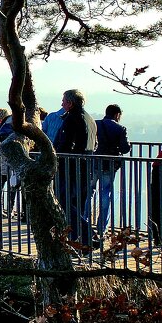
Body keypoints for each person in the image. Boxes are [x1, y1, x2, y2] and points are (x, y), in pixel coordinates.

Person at [53, 88, 97, 247]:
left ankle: (86, 236)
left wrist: (56, 156)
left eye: (63, 100)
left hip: (71, 166)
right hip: (85, 164)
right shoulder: (89, 118)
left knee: (64, 202)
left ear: (70, 103)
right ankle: (85, 238)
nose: (62, 103)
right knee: (75, 203)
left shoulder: (73, 118)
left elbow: (65, 143)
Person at [92, 104, 131, 240]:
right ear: (117, 115)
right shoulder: (120, 129)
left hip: (93, 162)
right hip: (109, 165)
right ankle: (101, 228)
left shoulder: (95, 124)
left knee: (88, 193)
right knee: (105, 193)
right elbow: (125, 149)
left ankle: (83, 224)